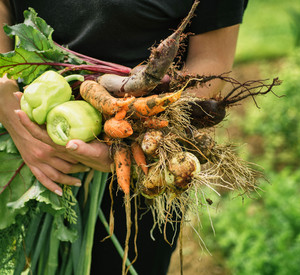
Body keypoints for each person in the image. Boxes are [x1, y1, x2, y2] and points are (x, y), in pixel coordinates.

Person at [0, 0, 248, 274]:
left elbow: (210, 60)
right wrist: (6, 103)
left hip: (144, 163)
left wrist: (136, 136)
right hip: (22, 130)